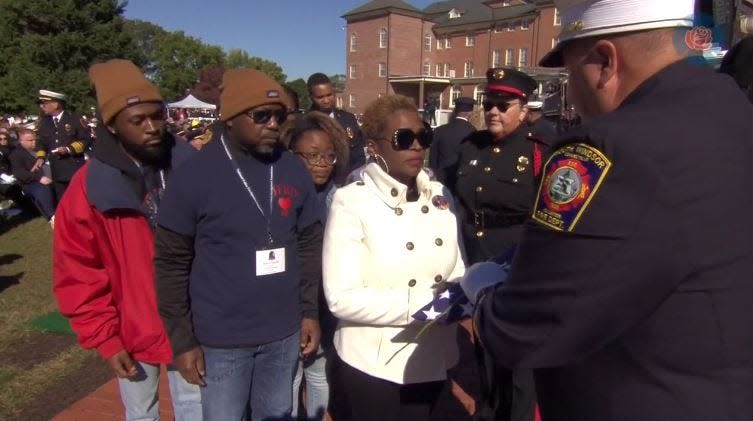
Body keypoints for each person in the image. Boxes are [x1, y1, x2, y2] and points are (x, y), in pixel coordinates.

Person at [467, 1, 753, 420]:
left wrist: (483, 294)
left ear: (604, 61)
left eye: (569, 72)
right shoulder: (733, 111)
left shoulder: (608, 149)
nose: (572, 89)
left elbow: (527, 328)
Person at [154, 69, 323, 421]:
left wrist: (309, 311)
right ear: (229, 119)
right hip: (221, 338)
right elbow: (171, 264)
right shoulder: (193, 175)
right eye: (261, 115)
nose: (274, 124)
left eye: (279, 115)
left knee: (277, 414)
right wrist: (182, 341)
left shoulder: (291, 167)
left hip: (283, 330)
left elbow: (308, 245)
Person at [52, 59, 201, 421]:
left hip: (194, 323)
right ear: (112, 126)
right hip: (133, 328)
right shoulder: (88, 189)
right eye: (137, 121)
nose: (152, 128)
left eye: (158, 116)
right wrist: (105, 337)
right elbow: (78, 271)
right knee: (141, 412)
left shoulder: (193, 166)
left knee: (197, 411)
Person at [322, 94, 465, 420]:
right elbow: (341, 298)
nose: (416, 146)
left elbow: (455, 266)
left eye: (423, 136)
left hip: (431, 354)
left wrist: (462, 295)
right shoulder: (352, 202)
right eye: (404, 138)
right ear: (374, 146)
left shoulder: (440, 195)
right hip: (375, 362)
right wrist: (423, 306)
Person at [280, 111, 349, 420]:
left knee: (320, 371)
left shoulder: (342, 199)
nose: (322, 162)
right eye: (311, 155)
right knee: (291, 376)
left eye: (329, 155)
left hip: (326, 300)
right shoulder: (279, 198)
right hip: (288, 298)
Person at [34, 89, 92, 201]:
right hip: (56, 169)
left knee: (81, 199)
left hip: (74, 166)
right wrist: (40, 157)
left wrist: (69, 149)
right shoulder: (44, 122)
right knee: (63, 200)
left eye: (44, 104)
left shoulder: (74, 118)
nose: (42, 107)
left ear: (55, 104)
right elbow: (41, 142)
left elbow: (86, 140)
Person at [307, 72, 365, 172]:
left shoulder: (348, 119)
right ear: (311, 97)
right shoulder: (306, 122)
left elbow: (359, 155)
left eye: (329, 95)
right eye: (320, 97)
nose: (326, 100)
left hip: (348, 180)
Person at [9, 129, 56, 221]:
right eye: (31, 140)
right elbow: (19, 173)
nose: (34, 142)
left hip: (51, 177)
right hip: (32, 182)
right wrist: (39, 178)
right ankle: (52, 216)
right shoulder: (16, 155)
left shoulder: (39, 148)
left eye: (35, 139)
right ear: (22, 141)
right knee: (43, 190)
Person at [428, 96, 476, 178]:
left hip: (441, 179)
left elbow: (432, 159)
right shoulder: (473, 132)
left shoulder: (440, 130)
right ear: (470, 113)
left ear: (455, 111)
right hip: (463, 179)